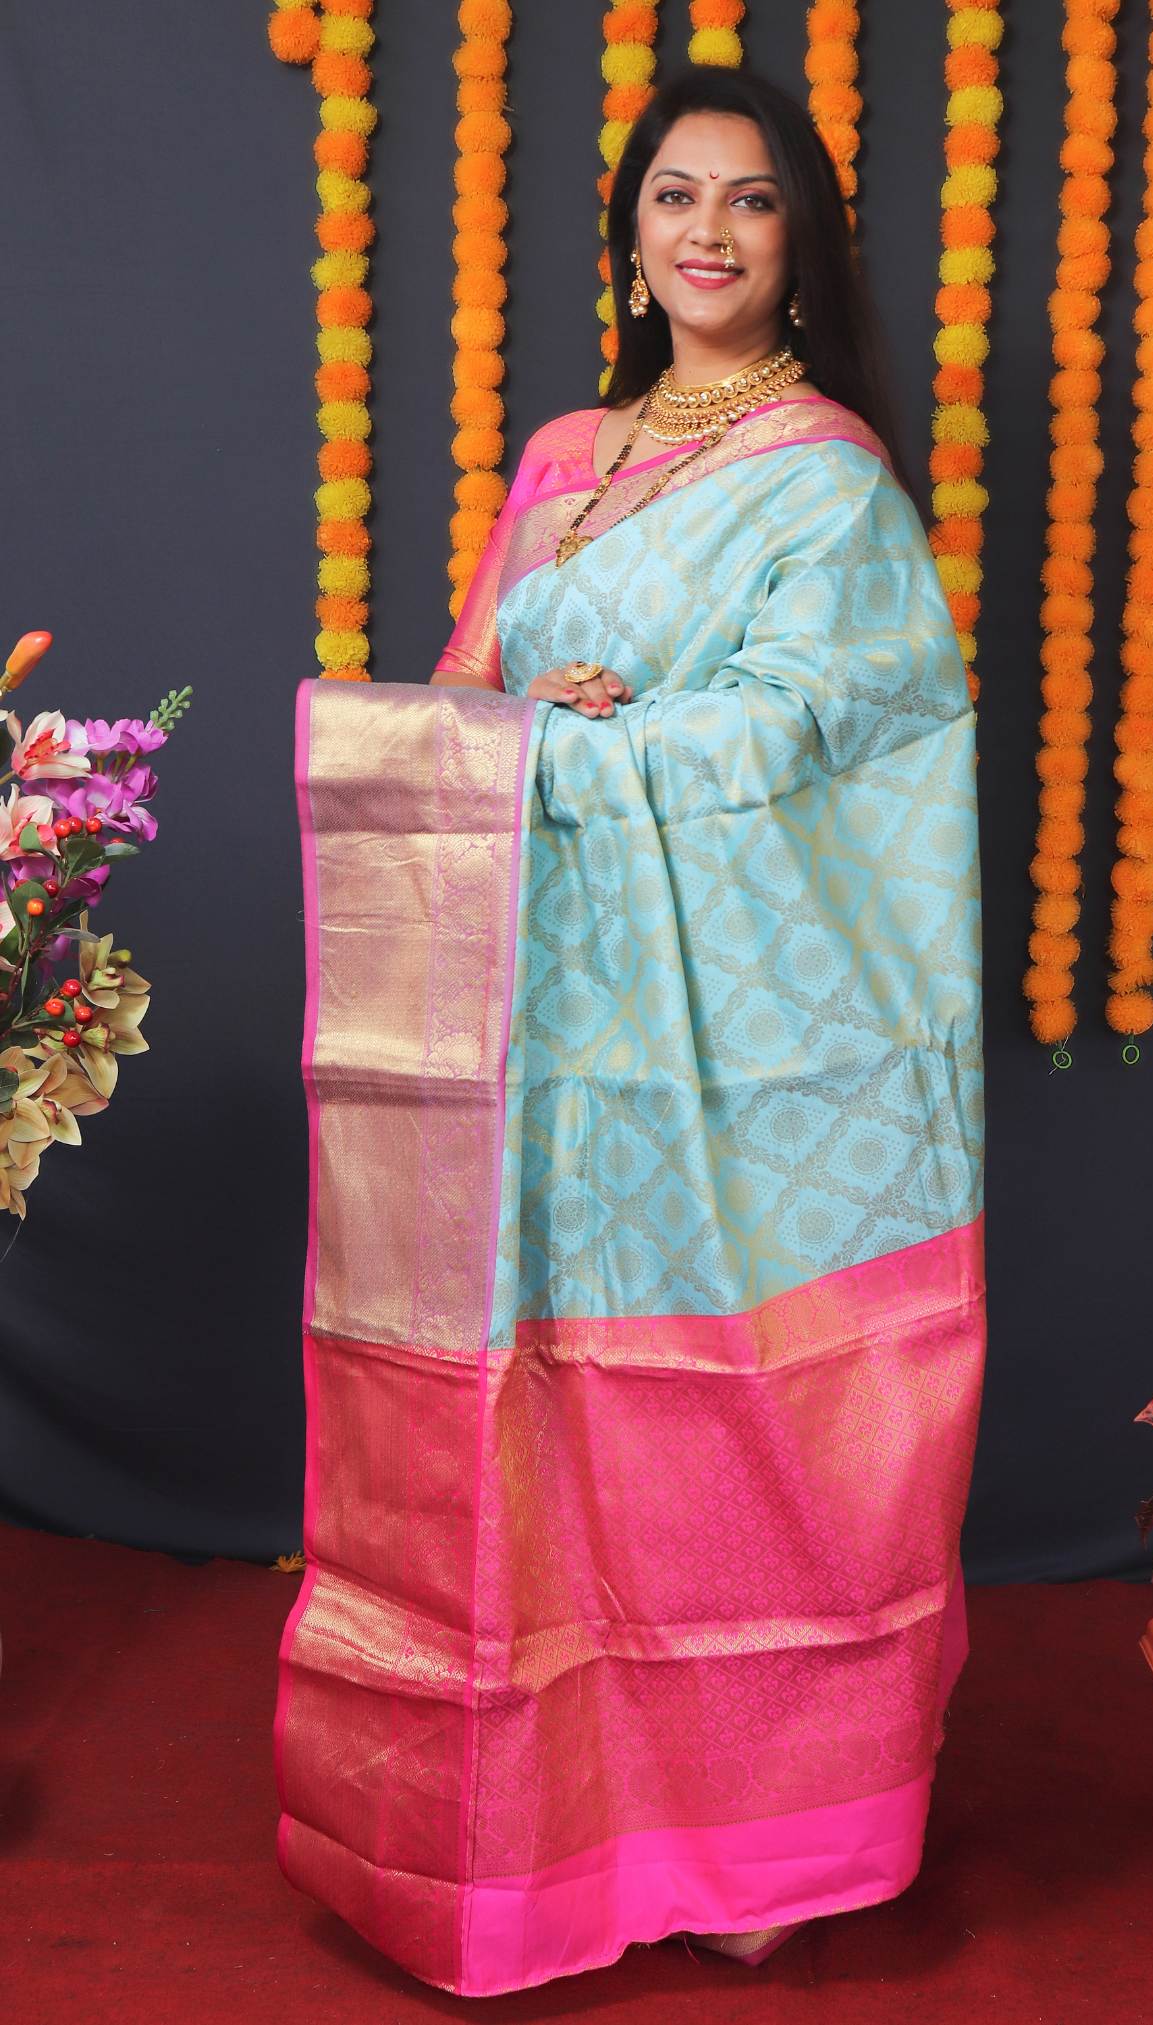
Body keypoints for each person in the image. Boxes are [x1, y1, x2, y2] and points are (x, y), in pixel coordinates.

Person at [276, 63, 985, 2000]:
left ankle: (768, 1821)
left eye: (749, 202)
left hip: (731, 1043)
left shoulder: (830, 475)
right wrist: (520, 725)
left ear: (801, 242)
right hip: (543, 1028)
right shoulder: (565, 453)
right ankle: (549, 1824)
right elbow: (463, 694)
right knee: (562, 1407)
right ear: (631, 227)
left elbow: (817, 728)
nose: (706, 232)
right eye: (675, 195)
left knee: (738, 1411)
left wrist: (597, 747)